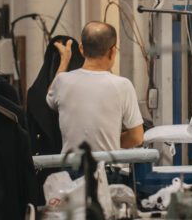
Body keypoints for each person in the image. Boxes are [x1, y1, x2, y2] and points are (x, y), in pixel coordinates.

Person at [46, 21, 144, 154]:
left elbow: (50, 98)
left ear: (81, 48)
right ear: (112, 51)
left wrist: (64, 61)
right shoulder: (122, 85)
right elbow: (137, 137)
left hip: (70, 171)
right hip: (108, 170)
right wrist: (112, 141)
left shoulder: (62, 81)